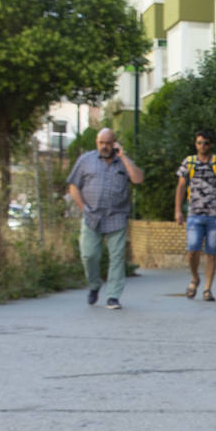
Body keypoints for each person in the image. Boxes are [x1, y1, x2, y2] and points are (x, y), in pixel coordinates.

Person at [67, 128, 144, 310]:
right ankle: (94, 285)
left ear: (115, 143)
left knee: (117, 258)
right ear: (96, 142)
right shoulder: (86, 160)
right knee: (89, 255)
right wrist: (83, 208)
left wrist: (124, 157)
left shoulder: (123, 162)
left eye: (108, 143)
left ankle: (113, 296)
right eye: (102, 143)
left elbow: (138, 179)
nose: (105, 146)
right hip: (91, 216)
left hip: (116, 216)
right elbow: (73, 186)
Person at [175, 130, 216, 301]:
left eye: (206, 143)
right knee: (192, 249)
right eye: (199, 143)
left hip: (215, 214)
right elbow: (180, 186)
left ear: (211, 145)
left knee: (211, 252)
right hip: (194, 213)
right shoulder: (189, 162)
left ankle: (208, 288)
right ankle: (195, 278)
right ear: (195, 144)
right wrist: (178, 210)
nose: (202, 146)